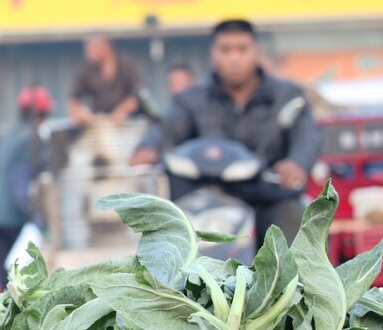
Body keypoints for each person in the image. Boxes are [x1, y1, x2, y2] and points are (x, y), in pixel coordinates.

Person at [129, 19, 322, 246]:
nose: (234, 58)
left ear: (255, 51)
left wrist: (297, 163)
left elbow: (307, 134)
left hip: (269, 197)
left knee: (298, 225)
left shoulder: (286, 95)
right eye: (225, 50)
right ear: (213, 54)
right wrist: (148, 147)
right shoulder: (192, 99)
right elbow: (167, 127)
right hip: (208, 197)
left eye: (242, 49)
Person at [0, 86, 52, 286]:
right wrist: (36, 216)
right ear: (41, 114)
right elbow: (24, 179)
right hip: (16, 221)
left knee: (4, 283)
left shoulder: (7, 134)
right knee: (19, 283)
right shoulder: (32, 139)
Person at [68, 34, 144, 126]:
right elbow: (74, 100)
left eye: (91, 49)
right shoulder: (86, 69)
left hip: (129, 123)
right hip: (99, 125)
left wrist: (121, 111)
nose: (88, 54)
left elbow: (139, 95)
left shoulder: (127, 66)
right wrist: (81, 114)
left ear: (105, 47)